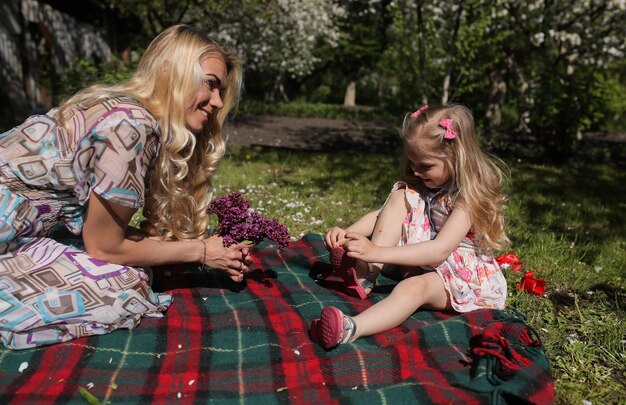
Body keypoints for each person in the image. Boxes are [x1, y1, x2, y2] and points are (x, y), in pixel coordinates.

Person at [0, 25, 251, 350]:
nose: (217, 102)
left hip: (18, 227)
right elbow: (104, 247)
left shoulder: (124, 110)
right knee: (124, 282)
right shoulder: (131, 128)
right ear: (172, 72)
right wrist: (200, 251)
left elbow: (101, 230)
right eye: (211, 84)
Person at [310, 103, 509, 349]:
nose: (415, 169)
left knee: (412, 288)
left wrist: (376, 251)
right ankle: (366, 274)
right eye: (412, 162)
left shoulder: (468, 198)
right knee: (400, 194)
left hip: (460, 275)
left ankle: (351, 327)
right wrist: (350, 234)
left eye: (424, 165)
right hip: (422, 255)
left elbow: (439, 250)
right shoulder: (426, 184)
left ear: (456, 156)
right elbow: (381, 216)